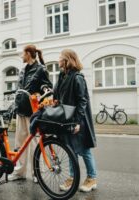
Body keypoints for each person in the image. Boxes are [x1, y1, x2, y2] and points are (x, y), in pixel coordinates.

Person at [54, 49, 97, 192]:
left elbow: (82, 101)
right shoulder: (62, 75)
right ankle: (72, 178)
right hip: (67, 117)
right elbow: (58, 95)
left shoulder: (77, 77)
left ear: (67, 60)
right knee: (70, 149)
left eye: (60, 57)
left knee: (84, 150)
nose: (58, 59)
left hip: (79, 119)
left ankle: (92, 178)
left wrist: (78, 122)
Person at [8, 44, 52, 182]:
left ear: (28, 54)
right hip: (20, 110)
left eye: (23, 53)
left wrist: (43, 90)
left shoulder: (40, 69)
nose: (21, 56)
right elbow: (19, 90)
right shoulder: (22, 70)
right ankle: (19, 172)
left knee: (34, 144)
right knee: (20, 143)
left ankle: (36, 173)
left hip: (33, 112)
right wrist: (15, 106)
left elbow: (47, 86)